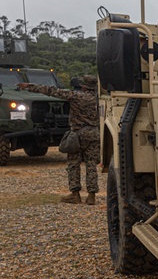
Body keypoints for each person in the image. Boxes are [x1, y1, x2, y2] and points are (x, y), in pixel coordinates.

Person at [18, 75, 101, 205]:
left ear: (84, 86)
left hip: (78, 134)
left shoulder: (76, 96)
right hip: (94, 133)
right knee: (91, 165)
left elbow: (52, 91)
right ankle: (92, 196)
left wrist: (30, 86)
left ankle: (75, 194)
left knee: (74, 164)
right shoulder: (99, 99)